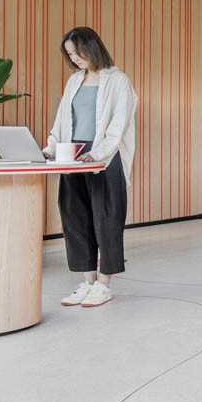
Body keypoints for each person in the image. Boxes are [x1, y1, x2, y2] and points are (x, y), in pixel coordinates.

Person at [44, 27, 138, 308]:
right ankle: (87, 281)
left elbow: (118, 126)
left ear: (93, 47)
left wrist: (97, 154)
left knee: (106, 219)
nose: (74, 59)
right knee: (75, 218)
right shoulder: (74, 81)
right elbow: (62, 120)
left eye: (77, 52)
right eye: (70, 54)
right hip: (72, 157)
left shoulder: (118, 81)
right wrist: (51, 147)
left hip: (104, 159)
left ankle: (104, 284)